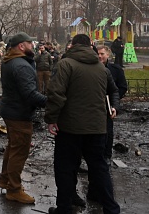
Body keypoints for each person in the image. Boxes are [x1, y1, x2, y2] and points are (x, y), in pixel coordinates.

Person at [45, 34, 120, 214]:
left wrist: (51, 119)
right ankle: (111, 208)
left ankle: (64, 208)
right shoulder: (102, 69)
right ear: (91, 46)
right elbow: (112, 90)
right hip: (97, 128)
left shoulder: (65, 64)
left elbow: (56, 94)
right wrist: (113, 107)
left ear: (72, 46)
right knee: (99, 168)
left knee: (65, 168)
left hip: (70, 128)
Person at [0, 32, 47, 204]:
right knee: (19, 151)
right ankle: (14, 189)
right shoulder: (22, 65)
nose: (32, 45)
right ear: (21, 46)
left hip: (11, 110)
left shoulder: (10, 61)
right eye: (29, 43)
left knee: (12, 147)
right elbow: (30, 95)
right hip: (19, 114)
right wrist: (51, 102)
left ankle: (5, 181)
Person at [97, 45, 128, 161]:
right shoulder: (91, 68)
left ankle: (106, 155)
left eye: (102, 54)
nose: (100, 56)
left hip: (108, 105)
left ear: (108, 55)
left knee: (107, 131)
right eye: (98, 54)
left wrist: (113, 101)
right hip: (93, 105)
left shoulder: (116, 70)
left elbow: (122, 87)